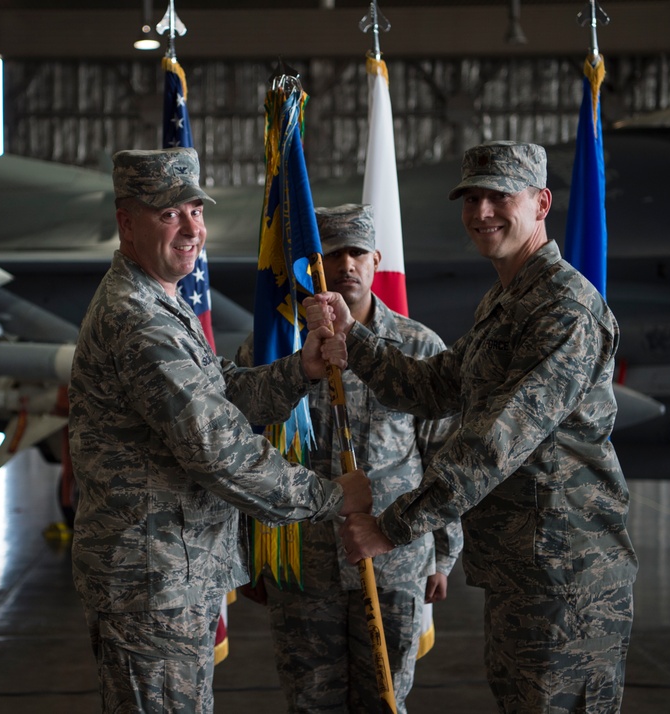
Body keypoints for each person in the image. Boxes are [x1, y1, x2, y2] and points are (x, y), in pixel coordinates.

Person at [308, 141, 638, 714]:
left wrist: (394, 527)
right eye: (472, 198)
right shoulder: (506, 301)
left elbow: (497, 440)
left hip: (565, 572)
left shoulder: (564, 309)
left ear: (541, 203)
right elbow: (433, 386)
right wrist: (351, 340)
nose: (482, 212)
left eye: (499, 196)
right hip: (520, 566)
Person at [68, 147, 372, 714]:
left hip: (172, 574)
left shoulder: (162, 302)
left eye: (195, 210)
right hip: (153, 583)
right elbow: (219, 449)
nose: (191, 229)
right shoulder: (138, 320)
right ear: (125, 223)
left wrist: (298, 371)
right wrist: (329, 497)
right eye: (168, 214)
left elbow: (220, 394)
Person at [236, 204, 464, 713]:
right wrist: (250, 554)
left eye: (357, 253)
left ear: (376, 259)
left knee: (384, 701)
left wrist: (443, 554)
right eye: (330, 255)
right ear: (309, 268)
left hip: (394, 560)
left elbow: (443, 454)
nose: (345, 266)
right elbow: (245, 455)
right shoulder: (272, 349)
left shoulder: (418, 347)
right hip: (300, 565)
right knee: (310, 704)